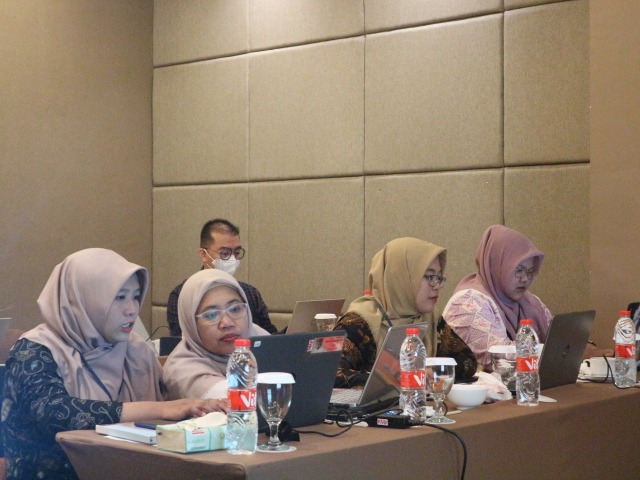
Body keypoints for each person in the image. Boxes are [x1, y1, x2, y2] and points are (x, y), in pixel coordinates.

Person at [0, 248, 225, 480]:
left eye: (135, 296)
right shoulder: (33, 350)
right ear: (81, 299)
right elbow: (55, 412)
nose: (132, 309)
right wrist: (161, 409)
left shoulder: (135, 349)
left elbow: (174, 412)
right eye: (119, 297)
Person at [334, 237, 477, 388]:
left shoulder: (429, 318)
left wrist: (431, 372)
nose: (437, 285)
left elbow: (467, 361)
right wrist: (403, 379)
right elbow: (332, 374)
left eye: (439, 277)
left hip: (419, 402)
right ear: (401, 278)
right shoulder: (358, 323)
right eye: (429, 276)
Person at [442, 225, 553, 371]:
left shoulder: (529, 302)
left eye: (530, 271)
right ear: (496, 265)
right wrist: (549, 352)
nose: (525, 278)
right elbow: (499, 360)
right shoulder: (467, 303)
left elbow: (560, 342)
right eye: (519, 270)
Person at [163, 269, 270, 400]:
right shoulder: (183, 371)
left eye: (235, 309)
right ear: (191, 325)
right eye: (211, 315)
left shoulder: (255, 334)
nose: (227, 323)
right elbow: (242, 400)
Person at [167, 218, 277, 336]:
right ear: (204, 255)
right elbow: (181, 341)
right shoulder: (183, 294)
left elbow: (270, 338)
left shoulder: (250, 293)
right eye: (225, 253)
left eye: (237, 253)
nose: (232, 259)